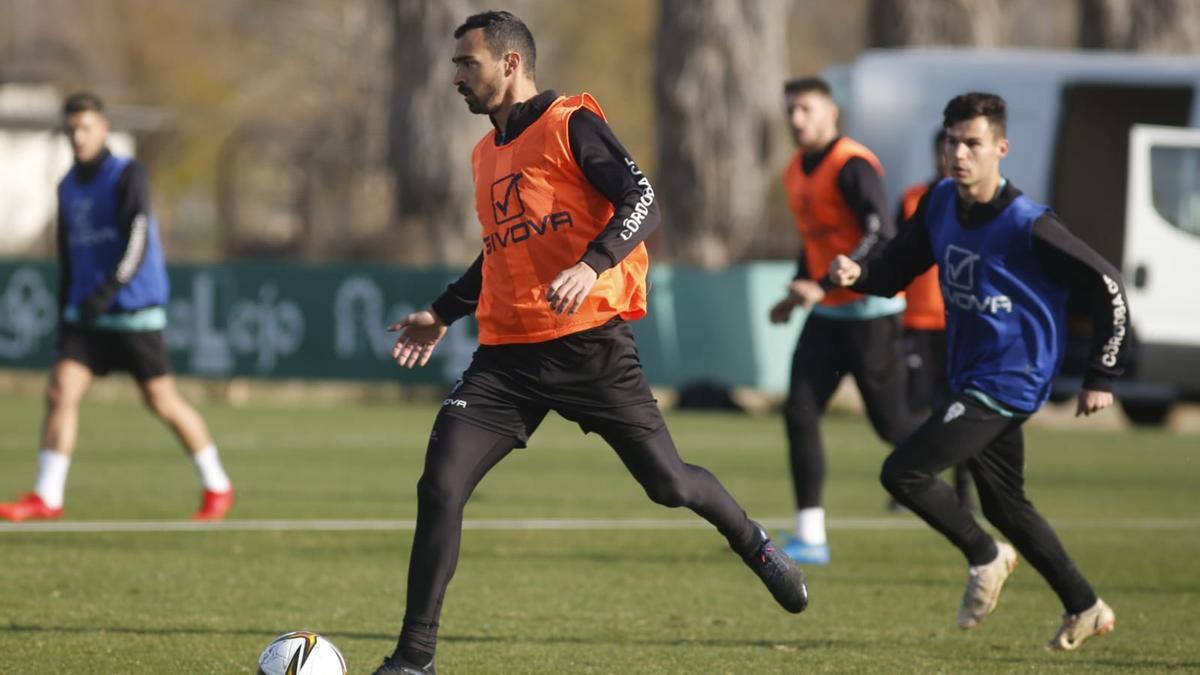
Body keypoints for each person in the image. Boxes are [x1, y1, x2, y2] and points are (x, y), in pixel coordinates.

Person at [372, 11, 807, 674]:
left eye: (469, 63)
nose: (456, 76)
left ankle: (754, 542)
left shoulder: (569, 123)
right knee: (440, 485)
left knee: (669, 484)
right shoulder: (485, 152)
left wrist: (594, 261)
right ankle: (414, 657)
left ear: (511, 64)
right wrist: (441, 312)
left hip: (590, 348)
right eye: (456, 64)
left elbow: (642, 199)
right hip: (507, 360)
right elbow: (499, 255)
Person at [827, 92, 1126, 651]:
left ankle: (985, 556)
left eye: (973, 143)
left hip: (1012, 376)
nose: (959, 154)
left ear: (1001, 149)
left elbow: (1108, 286)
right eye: (952, 142)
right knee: (1006, 506)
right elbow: (896, 269)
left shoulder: (1028, 224)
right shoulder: (940, 202)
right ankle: (1085, 605)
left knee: (904, 474)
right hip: (972, 372)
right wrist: (856, 272)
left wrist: (1100, 375)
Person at [0, 93, 233, 523]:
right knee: (59, 391)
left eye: (86, 128)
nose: (78, 137)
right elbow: (68, 255)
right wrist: (65, 306)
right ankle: (47, 496)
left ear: (103, 129)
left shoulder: (128, 175)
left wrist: (105, 294)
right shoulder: (67, 185)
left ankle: (217, 484)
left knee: (162, 401)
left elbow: (137, 241)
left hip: (132, 310)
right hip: (85, 315)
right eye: (71, 129)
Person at [769, 77, 917, 565]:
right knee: (799, 412)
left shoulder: (851, 163)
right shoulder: (795, 170)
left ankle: (963, 466)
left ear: (833, 112)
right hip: (828, 316)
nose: (796, 120)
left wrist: (824, 285)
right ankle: (811, 537)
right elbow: (814, 242)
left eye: (806, 109)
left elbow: (880, 232)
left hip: (871, 316)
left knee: (892, 426)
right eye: (791, 110)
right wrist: (796, 292)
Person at [896, 129, 973, 512]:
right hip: (917, 320)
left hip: (957, 323)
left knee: (958, 408)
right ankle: (907, 484)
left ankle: (963, 492)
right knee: (914, 408)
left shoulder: (974, 204)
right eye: (946, 149)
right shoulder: (914, 198)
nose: (952, 157)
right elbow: (892, 256)